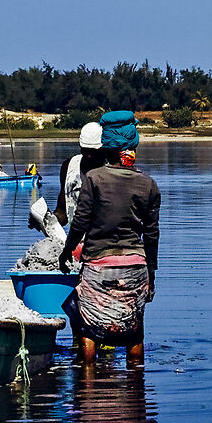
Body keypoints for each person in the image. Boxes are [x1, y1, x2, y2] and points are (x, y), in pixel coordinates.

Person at [62, 110, 160, 364]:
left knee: (88, 329)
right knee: (135, 331)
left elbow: (80, 222)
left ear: (107, 147)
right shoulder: (148, 184)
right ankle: (137, 385)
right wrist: (151, 274)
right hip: (136, 267)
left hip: (98, 267)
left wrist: (66, 251)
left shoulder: (94, 179)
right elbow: (151, 235)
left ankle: (88, 381)